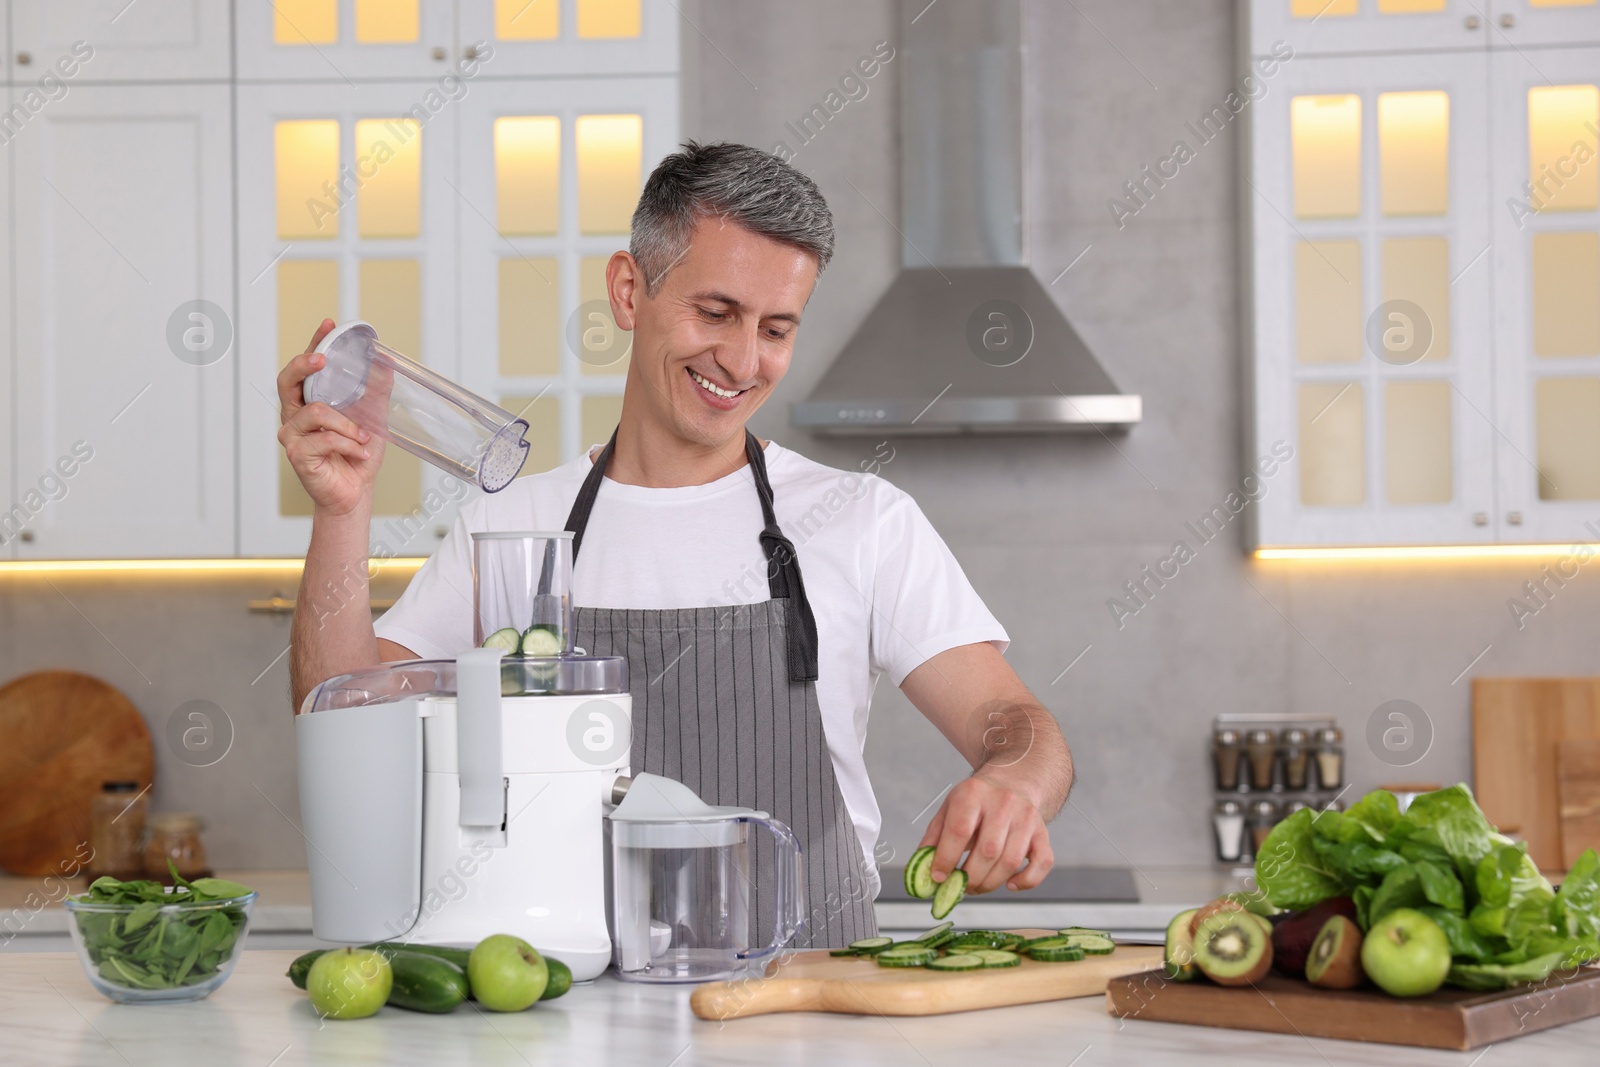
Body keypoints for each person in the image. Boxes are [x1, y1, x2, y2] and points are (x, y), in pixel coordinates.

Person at [277, 141, 1073, 948]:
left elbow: (1015, 720)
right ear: (629, 290)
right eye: (715, 312)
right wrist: (342, 510)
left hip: (809, 1008)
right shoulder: (514, 525)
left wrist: (1013, 781)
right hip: (571, 1008)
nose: (741, 359)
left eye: (776, 328)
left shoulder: (859, 516)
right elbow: (342, 709)